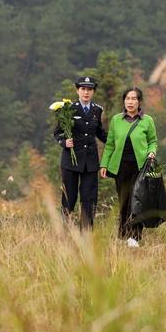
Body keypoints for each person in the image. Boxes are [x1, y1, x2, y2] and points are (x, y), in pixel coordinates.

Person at [100, 86, 157, 247]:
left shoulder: (147, 120)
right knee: (124, 200)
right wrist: (104, 164)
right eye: (127, 99)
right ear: (123, 101)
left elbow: (153, 141)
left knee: (136, 200)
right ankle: (123, 235)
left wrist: (151, 152)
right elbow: (110, 144)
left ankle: (135, 236)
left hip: (140, 166)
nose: (130, 102)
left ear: (139, 102)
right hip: (120, 167)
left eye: (134, 99)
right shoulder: (117, 120)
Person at [53, 76, 107, 229]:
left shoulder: (97, 110)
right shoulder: (68, 109)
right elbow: (57, 132)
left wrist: (116, 143)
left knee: (89, 197)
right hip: (71, 160)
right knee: (69, 197)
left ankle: (86, 231)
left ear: (93, 92)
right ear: (77, 90)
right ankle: (65, 229)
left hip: (90, 162)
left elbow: (100, 133)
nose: (86, 92)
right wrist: (64, 142)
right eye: (83, 89)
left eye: (89, 89)